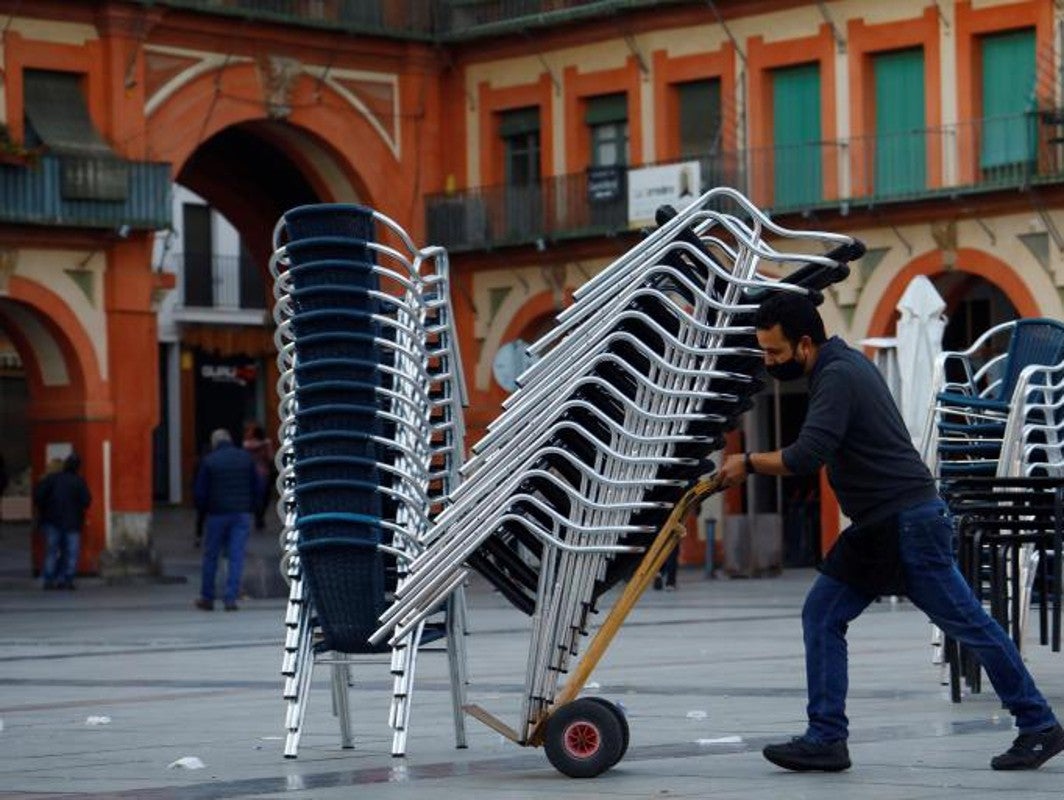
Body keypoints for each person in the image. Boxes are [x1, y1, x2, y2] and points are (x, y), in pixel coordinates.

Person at [720, 292, 1064, 773]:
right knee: (822, 614)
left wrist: (749, 463)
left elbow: (808, 454)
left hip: (907, 523)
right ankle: (826, 739)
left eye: (775, 353)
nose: (768, 361)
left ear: (803, 344)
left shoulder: (837, 375)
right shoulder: (836, 367)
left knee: (969, 625)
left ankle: (1038, 724)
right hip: (882, 525)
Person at [194, 428, 262, 611]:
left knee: (211, 556)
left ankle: (207, 597)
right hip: (241, 514)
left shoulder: (209, 461)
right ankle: (230, 598)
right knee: (236, 556)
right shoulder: (245, 458)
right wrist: (252, 507)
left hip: (217, 514)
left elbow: (200, 493)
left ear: (214, 443)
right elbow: (258, 485)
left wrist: (204, 511)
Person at [34, 453, 91, 590]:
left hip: (52, 520)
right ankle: (67, 579)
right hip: (73, 522)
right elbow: (86, 501)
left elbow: (38, 497)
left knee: (52, 550)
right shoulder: (79, 481)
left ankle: (49, 579)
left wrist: (45, 510)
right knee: (70, 551)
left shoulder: (51, 479)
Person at [242, 422, 274, 530]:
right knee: (262, 496)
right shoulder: (265, 443)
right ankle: (259, 516)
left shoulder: (247, 444)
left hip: (255, 473)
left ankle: (258, 515)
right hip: (262, 472)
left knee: (259, 496)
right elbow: (270, 457)